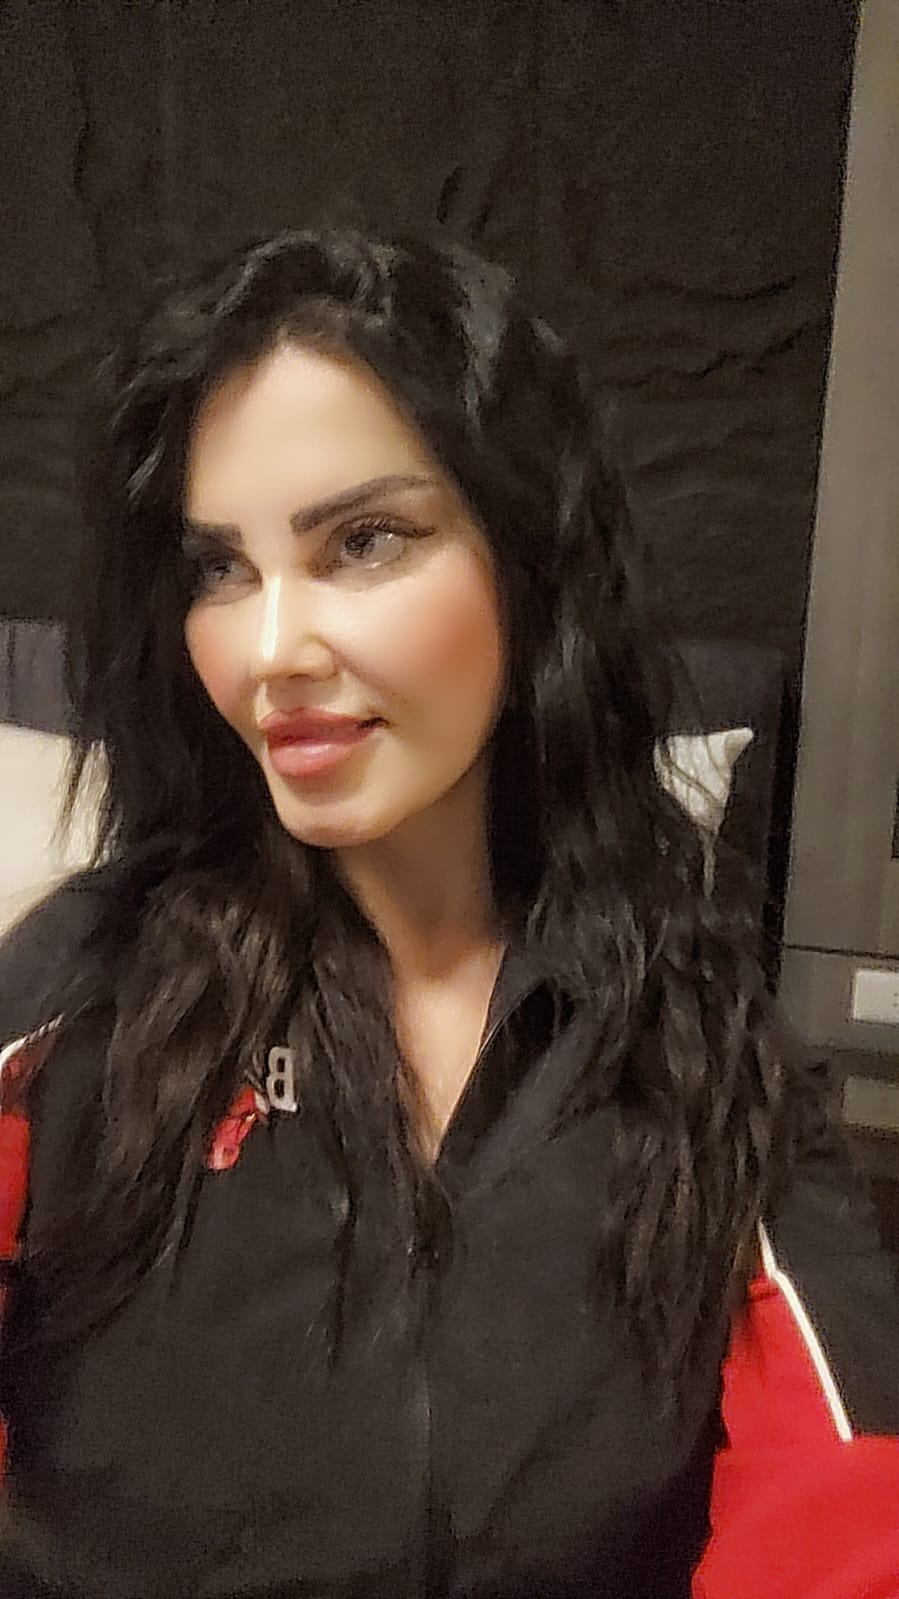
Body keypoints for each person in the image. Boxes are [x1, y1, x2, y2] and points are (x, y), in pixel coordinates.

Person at [0, 224, 897, 1599]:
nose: (270, 651)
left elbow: (848, 1495)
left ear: (529, 565)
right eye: (219, 569)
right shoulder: (75, 1003)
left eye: (364, 541)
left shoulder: (694, 1041)